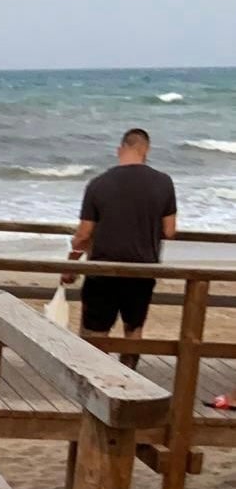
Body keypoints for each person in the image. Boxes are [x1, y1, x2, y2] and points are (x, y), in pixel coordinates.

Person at [61, 128, 177, 369]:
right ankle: (129, 379)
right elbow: (169, 230)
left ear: (119, 150)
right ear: (146, 150)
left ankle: (96, 381)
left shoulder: (98, 184)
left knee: (95, 331)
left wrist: (71, 264)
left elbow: (83, 235)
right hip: (142, 269)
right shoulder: (163, 182)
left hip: (103, 269)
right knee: (133, 329)